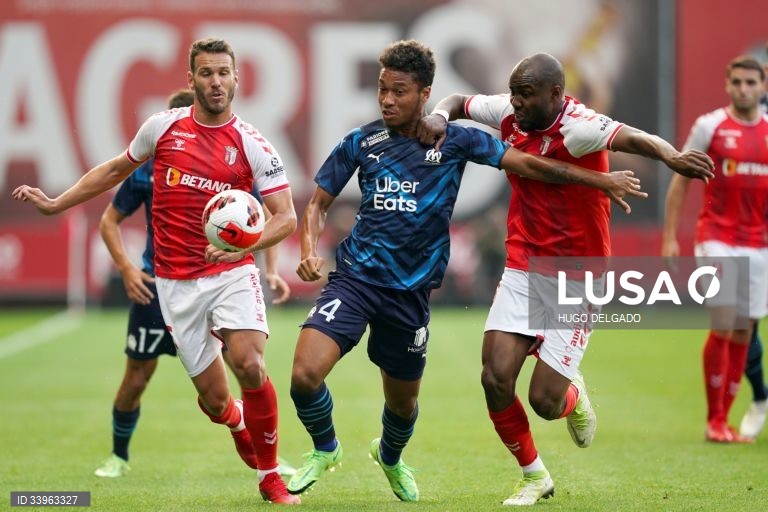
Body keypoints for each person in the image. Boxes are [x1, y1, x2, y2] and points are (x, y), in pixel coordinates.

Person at [284, 40, 648, 503]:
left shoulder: (456, 140)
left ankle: (392, 458)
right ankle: (326, 448)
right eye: (381, 90)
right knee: (304, 375)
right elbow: (317, 204)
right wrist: (310, 250)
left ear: (424, 94)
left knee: (403, 404)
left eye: (398, 91)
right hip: (355, 279)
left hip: (411, 294)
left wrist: (599, 179)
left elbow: (530, 164)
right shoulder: (362, 141)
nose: (387, 100)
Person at [417, 52, 714, 506]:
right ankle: (534, 475)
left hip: (579, 274)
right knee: (495, 378)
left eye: (526, 94)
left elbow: (637, 138)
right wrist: (438, 114)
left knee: (544, 402)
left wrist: (673, 156)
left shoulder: (580, 126)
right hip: (523, 264)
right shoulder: (509, 111)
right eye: (513, 92)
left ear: (556, 94)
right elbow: (458, 101)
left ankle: (572, 395)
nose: (514, 102)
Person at [12, 38, 300, 504]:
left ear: (237, 77)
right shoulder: (162, 128)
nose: (216, 82)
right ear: (191, 80)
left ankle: (271, 478)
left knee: (249, 362)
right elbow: (111, 171)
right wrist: (56, 203)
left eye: (224, 72)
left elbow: (285, 217)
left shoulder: (254, 144)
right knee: (215, 400)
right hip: (174, 283)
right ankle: (236, 420)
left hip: (231, 273)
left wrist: (245, 244)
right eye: (206, 73)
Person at [93, 88, 295, 479]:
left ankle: (268, 461)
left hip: (221, 277)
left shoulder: (232, 170)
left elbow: (262, 220)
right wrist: (129, 269)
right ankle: (118, 456)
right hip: (160, 284)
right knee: (139, 378)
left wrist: (269, 271)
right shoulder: (147, 170)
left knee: (247, 363)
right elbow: (108, 220)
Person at [662, 55, 768, 443]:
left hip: (760, 245)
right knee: (725, 320)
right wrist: (670, 235)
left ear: (763, 85)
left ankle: (724, 419)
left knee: (745, 330)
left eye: (750, 82)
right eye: (736, 82)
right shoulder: (710, 127)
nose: (743, 89)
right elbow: (680, 180)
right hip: (717, 237)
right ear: (727, 84)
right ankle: (714, 420)